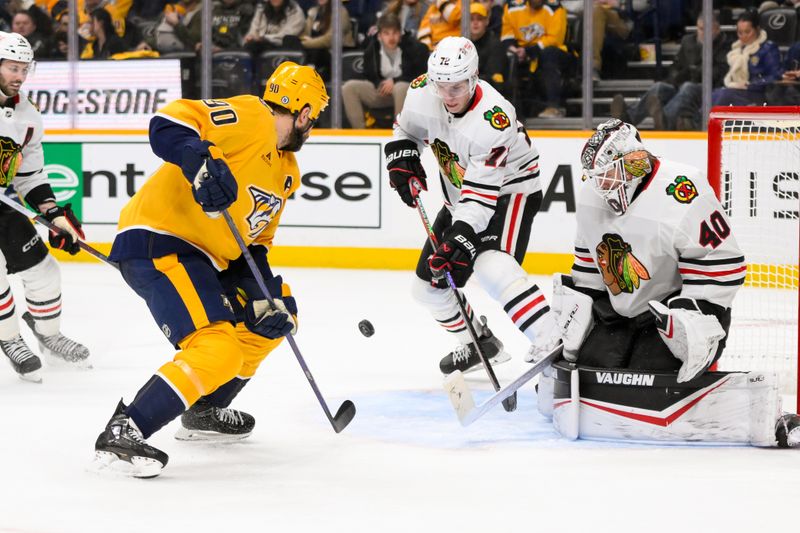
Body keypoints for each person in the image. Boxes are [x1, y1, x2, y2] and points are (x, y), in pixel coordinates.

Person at [92, 62, 328, 478]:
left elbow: (253, 246)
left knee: (272, 319)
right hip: (160, 240)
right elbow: (168, 122)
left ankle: (204, 409)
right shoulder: (253, 116)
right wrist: (198, 161)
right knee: (218, 348)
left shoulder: (287, 173)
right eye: (315, 117)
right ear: (304, 111)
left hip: (207, 258)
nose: (312, 127)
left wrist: (264, 291)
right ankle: (126, 428)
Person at [530, 119, 799, 448]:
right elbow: (588, 269)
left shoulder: (684, 190)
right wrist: (567, 326)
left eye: (609, 174)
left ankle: (710, 394)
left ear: (635, 163)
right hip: (619, 313)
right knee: (593, 374)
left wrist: (690, 316)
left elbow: (724, 266)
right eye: (597, 177)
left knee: (652, 377)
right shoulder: (591, 197)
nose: (602, 185)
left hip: (672, 313)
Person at [385, 36, 557, 376]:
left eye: (458, 87)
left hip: (510, 193)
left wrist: (461, 236)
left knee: (491, 265)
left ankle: (555, 343)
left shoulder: (494, 119)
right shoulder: (422, 91)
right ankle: (480, 344)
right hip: (460, 195)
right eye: (442, 86)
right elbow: (406, 129)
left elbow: (481, 199)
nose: (448, 96)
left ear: (474, 78)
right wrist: (402, 154)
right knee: (427, 289)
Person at [0, 32, 90, 381]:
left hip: (3, 202)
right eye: (11, 68)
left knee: (45, 273)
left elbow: (30, 175)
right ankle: (9, 339)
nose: (19, 76)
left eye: (24, 69)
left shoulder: (27, 115)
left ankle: (47, 334)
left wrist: (54, 215)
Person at [611, 12, 730, 131]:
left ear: (717, 29)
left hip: (708, 90)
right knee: (659, 87)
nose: (703, 33)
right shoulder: (688, 41)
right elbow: (675, 65)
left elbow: (720, 73)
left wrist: (694, 71)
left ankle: (665, 120)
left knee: (687, 87)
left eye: (707, 29)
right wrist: (675, 77)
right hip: (682, 84)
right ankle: (628, 119)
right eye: (700, 29)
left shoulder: (725, 45)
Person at [341, 12, 427, 129]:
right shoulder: (371, 49)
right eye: (386, 33)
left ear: (400, 33)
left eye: (395, 33)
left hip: (407, 93)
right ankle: (360, 133)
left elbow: (421, 75)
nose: (391, 38)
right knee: (349, 87)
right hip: (382, 91)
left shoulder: (414, 48)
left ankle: (401, 132)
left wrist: (395, 81)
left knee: (400, 87)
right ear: (379, 35)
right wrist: (379, 84)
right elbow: (369, 75)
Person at [500, 0, 574, 118]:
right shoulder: (512, 7)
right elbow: (506, 36)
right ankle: (509, 110)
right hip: (523, 53)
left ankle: (554, 106)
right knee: (504, 57)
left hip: (557, 53)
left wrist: (528, 52)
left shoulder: (555, 7)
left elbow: (555, 39)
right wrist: (514, 50)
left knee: (548, 53)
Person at [711, 9, 783, 107]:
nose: (743, 36)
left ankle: (708, 121)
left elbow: (775, 76)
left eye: (747, 32)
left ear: (757, 29)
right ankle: (701, 121)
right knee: (713, 95)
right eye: (740, 33)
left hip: (758, 94)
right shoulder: (734, 51)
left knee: (724, 95)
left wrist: (750, 85)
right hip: (734, 91)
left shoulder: (768, 49)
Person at [469, 2, 507, 96]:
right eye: (471, 19)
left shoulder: (495, 45)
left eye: (479, 19)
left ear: (487, 21)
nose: (475, 23)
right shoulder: (463, 43)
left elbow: (493, 80)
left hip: (489, 95)